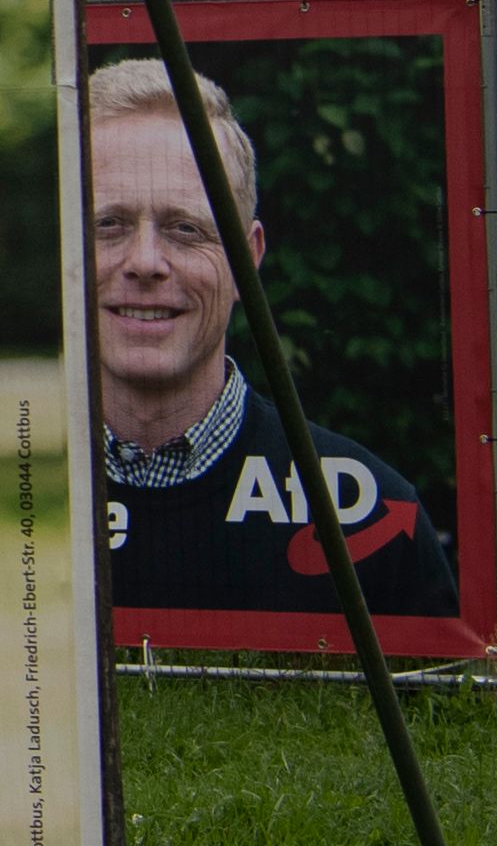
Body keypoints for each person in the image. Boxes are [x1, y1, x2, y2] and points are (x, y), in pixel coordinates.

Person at [88, 55, 460, 619]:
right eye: (107, 224)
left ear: (247, 260)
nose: (145, 262)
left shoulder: (374, 518)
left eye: (186, 229)